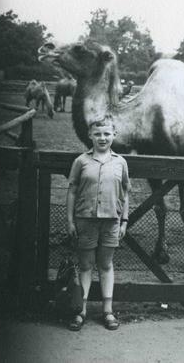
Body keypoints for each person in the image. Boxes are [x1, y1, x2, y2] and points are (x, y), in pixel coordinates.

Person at [66, 114, 131, 331]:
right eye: (97, 134)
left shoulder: (120, 162)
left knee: (105, 265)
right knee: (85, 265)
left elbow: (125, 193)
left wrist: (124, 221)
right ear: (90, 136)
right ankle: (80, 312)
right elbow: (72, 190)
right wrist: (70, 221)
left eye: (106, 134)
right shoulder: (81, 161)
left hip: (111, 221)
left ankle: (108, 311)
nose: (102, 138)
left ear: (114, 135)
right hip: (85, 221)